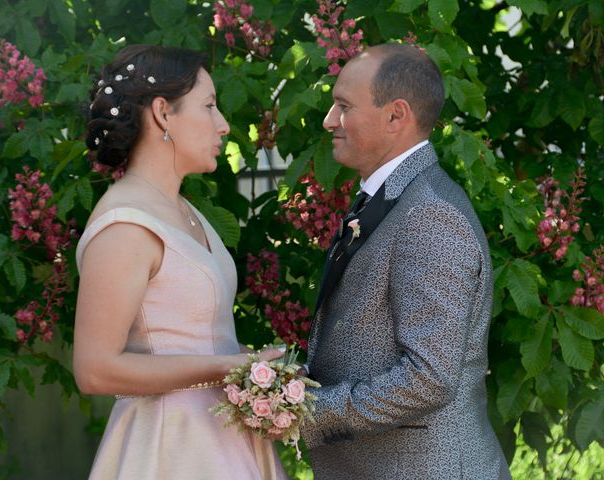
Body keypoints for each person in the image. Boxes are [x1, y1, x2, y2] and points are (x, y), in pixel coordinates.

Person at [73, 44, 287, 480]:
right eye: (209, 106)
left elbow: (197, 337)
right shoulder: (125, 225)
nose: (224, 125)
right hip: (172, 448)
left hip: (225, 439)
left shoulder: (187, 211)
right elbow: (95, 369)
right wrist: (226, 368)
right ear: (162, 114)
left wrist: (259, 367)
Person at [300, 43, 512, 479]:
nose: (329, 121)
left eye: (343, 106)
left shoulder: (431, 214)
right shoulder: (395, 199)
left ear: (396, 115)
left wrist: (309, 411)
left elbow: (428, 377)